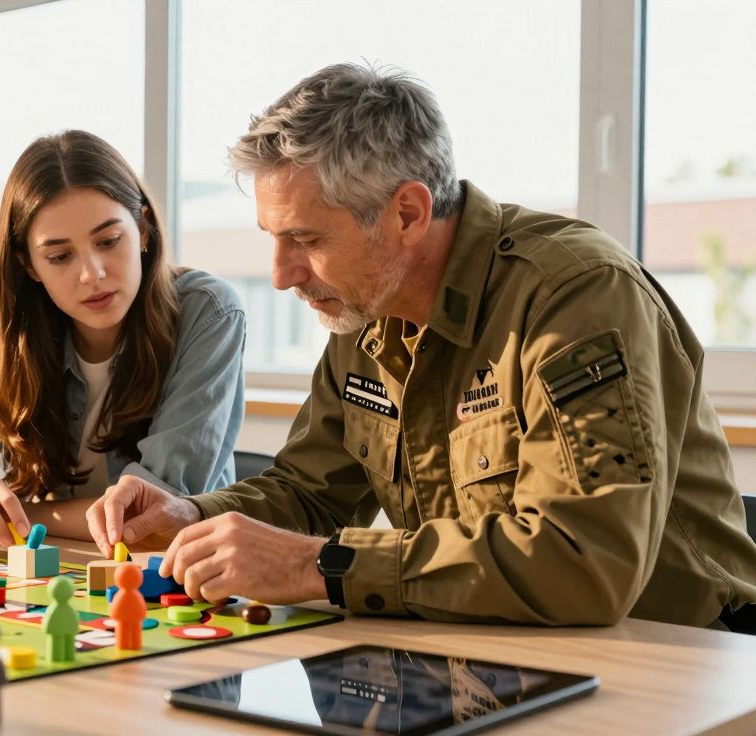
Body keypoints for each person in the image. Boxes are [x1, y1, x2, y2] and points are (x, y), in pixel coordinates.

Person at [88, 63, 756, 630]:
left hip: (679, 658)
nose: (281, 274)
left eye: (308, 240)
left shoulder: (575, 297)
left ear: (407, 213)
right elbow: (310, 492)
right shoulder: (365, 312)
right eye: (273, 237)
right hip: (490, 649)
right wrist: (189, 515)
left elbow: (585, 560)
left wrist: (311, 565)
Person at [0, 130, 246, 546]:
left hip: (167, 578)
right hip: (51, 571)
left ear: (143, 230)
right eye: (59, 256)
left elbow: (151, 516)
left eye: (109, 241)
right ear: (29, 264)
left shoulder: (209, 311)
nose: (92, 273)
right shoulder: (3, 328)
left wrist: (19, 515)